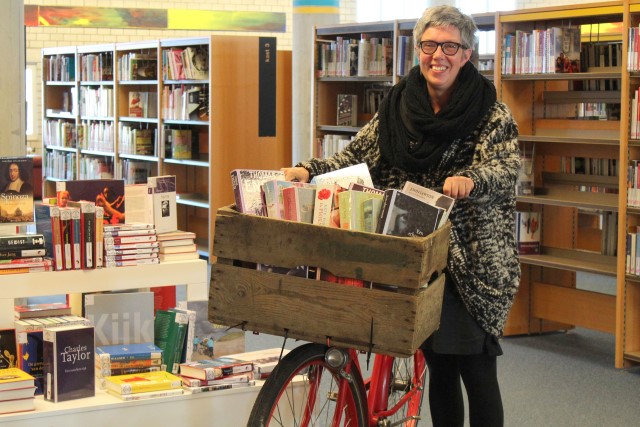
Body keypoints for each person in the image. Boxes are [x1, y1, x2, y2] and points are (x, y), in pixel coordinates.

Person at [282, 6, 520, 426]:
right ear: (418, 50)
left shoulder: (490, 112)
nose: (438, 56)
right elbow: (357, 154)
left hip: (471, 259)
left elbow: (504, 169)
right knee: (440, 366)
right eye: (429, 45)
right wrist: (310, 170)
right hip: (418, 253)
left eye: (450, 46)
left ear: (466, 54)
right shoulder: (398, 104)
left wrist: (471, 179)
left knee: (476, 369)